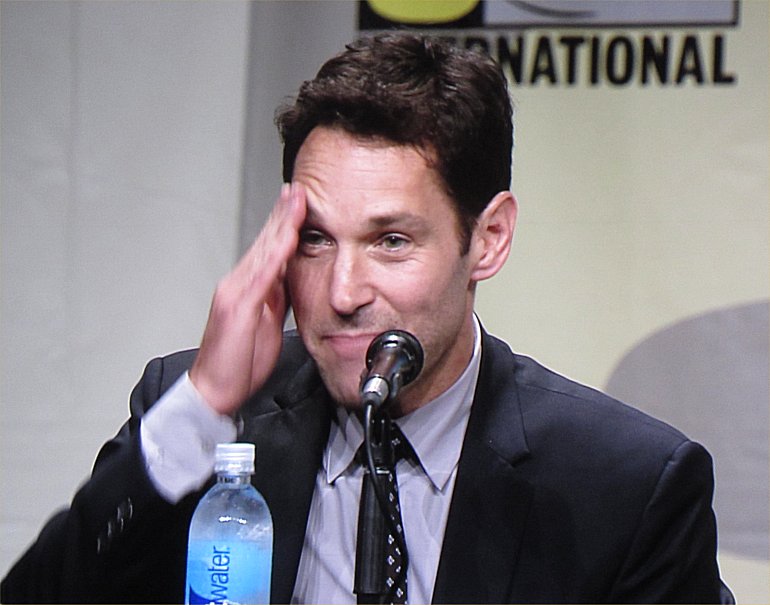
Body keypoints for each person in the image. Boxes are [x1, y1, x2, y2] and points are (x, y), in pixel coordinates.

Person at [2, 33, 730, 604]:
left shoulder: (625, 486)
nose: (343, 292)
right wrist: (204, 406)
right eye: (316, 239)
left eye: (391, 241)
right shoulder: (201, 416)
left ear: (488, 238)